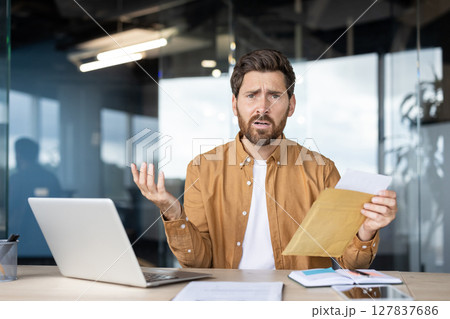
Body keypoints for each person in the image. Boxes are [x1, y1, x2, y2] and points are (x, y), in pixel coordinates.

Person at [131, 49, 397, 270]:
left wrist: (367, 230)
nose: (263, 107)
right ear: (235, 105)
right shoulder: (202, 168)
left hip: (297, 302)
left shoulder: (322, 170)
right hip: (228, 300)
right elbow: (198, 261)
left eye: (275, 95)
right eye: (251, 95)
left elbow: (349, 263)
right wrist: (173, 212)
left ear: (291, 105)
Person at [9, 138, 63, 256]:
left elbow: (10, 208)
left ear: (18, 155)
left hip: (22, 241)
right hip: (49, 241)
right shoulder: (51, 178)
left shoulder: (16, 179)